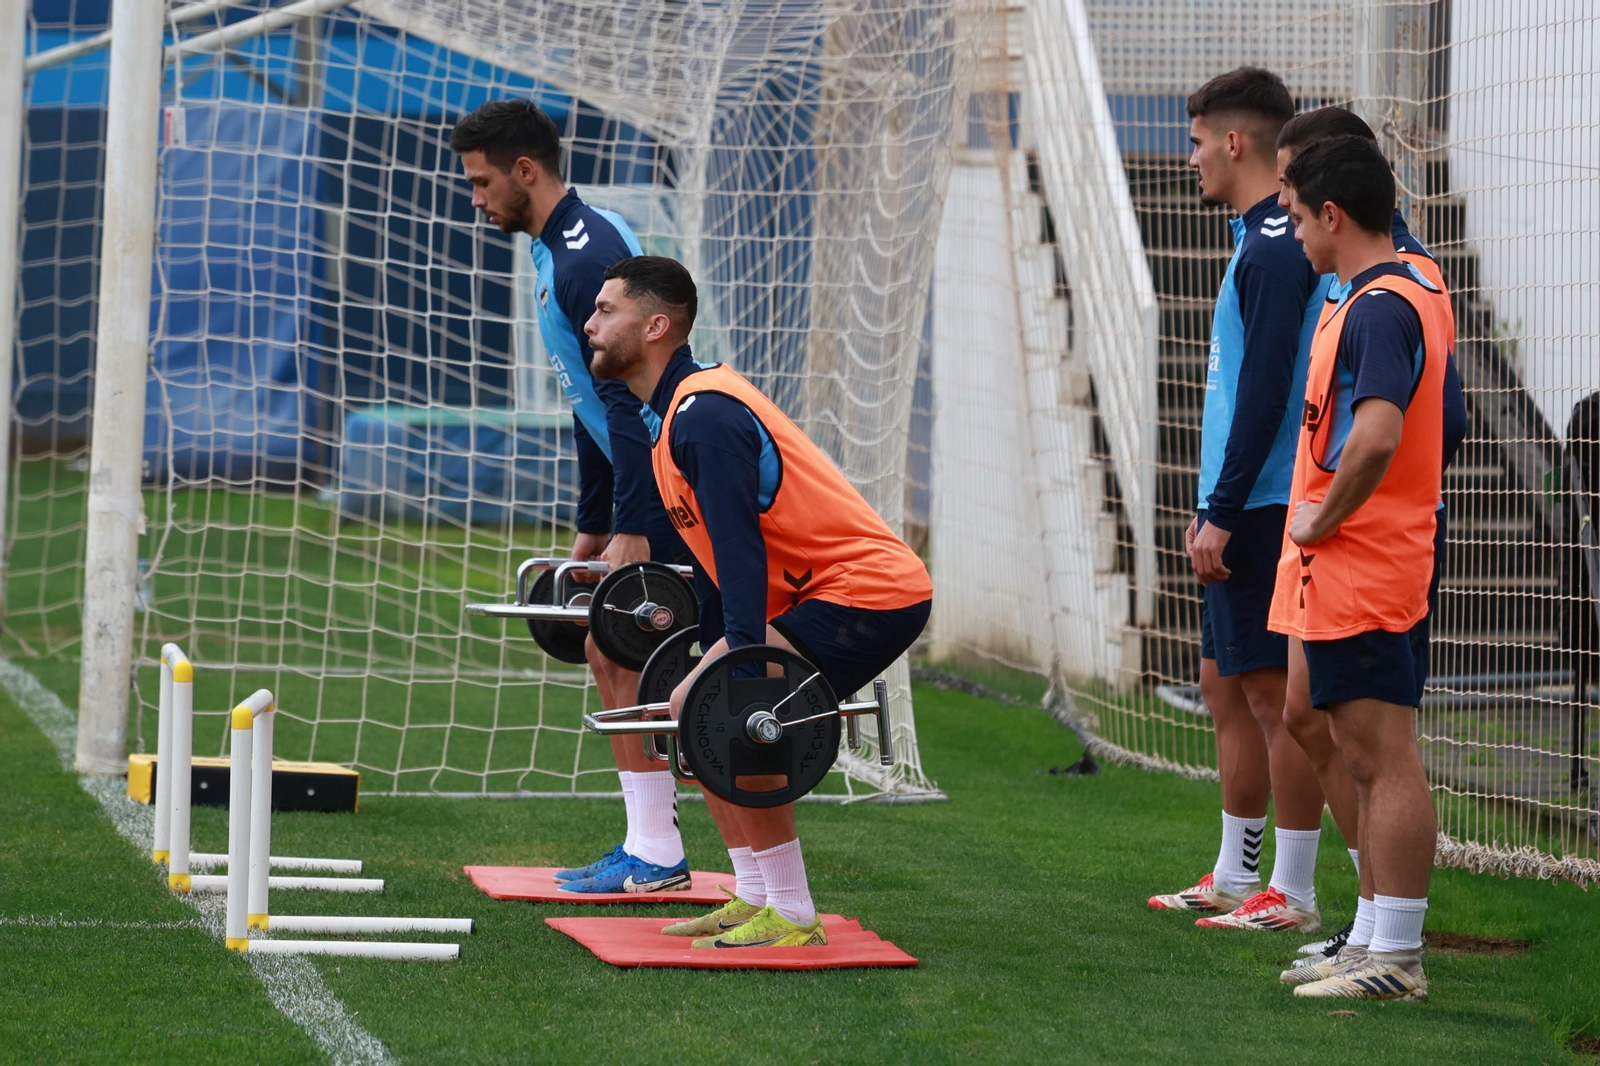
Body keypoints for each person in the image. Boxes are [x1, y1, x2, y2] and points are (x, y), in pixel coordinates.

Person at [585, 255, 933, 948]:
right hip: (821, 595)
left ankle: (794, 912)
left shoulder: (704, 416)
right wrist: (712, 654)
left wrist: (739, 668)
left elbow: (742, 553)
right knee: (695, 704)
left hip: (869, 593)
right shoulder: (672, 419)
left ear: (656, 326)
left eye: (605, 310)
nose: (590, 324)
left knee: (724, 711)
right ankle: (753, 895)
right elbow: (716, 567)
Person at [450, 100, 694, 894]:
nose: (477, 199)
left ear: (526, 170)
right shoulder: (564, 246)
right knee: (618, 650)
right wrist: (593, 527)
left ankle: (661, 852)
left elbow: (627, 406)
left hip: (671, 483)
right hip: (648, 482)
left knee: (625, 650)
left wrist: (633, 528)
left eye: (484, 182)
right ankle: (655, 846)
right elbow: (588, 405)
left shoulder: (587, 256)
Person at [1270, 108, 1468, 982]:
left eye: (1301, 216)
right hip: (1351, 566)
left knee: (1383, 756)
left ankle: (1397, 953)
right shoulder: (1390, 294)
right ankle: (1376, 935)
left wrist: (1322, 516)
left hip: (1368, 563)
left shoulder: (1382, 305)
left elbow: (1380, 434)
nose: (1298, 234)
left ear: (1334, 216)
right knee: (1348, 742)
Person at [1147, 68, 1329, 936]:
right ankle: (1233, 873)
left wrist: (1220, 507)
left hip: (1260, 503)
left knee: (1272, 698)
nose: (1188, 160)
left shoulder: (1272, 246)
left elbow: (1265, 393)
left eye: (1193, 142)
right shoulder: (1256, 237)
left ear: (1233, 141)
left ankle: (1291, 893)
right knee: (1224, 687)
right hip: (1234, 496)